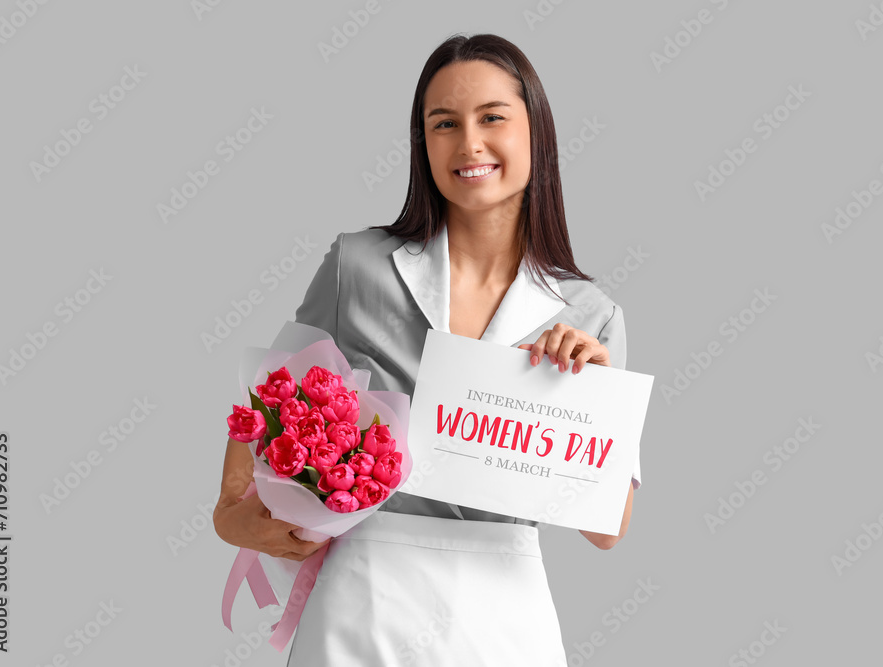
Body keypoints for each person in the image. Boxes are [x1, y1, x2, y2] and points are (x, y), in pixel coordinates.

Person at [213, 32, 640, 665]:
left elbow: (608, 532)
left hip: (504, 619)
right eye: (444, 123)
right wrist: (231, 515)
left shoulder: (591, 318)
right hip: (363, 601)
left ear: (536, 133)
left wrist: (593, 392)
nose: (469, 143)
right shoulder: (357, 267)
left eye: (492, 117)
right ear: (424, 144)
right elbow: (265, 404)